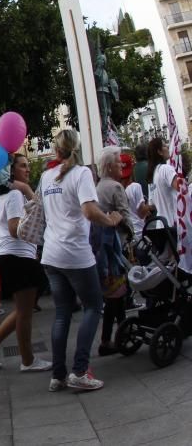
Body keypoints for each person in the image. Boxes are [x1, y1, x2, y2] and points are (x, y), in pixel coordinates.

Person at [41, 130, 122, 392]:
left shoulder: (45, 176)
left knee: (62, 313)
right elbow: (88, 210)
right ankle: (79, 370)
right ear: (77, 147)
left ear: (57, 149)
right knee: (93, 306)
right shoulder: (81, 174)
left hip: (51, 254)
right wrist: (110, 220)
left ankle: (58, 375)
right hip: (75, 253)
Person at [0, 153, 53, 372]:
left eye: (28, 166)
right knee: (25, 312)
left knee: (22, 310)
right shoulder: (14, 194)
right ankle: (28, 360)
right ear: (12, 171)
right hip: (18, 256)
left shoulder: (7, 194)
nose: (28, 170)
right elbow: (14, 228)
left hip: (14, 256)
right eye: (23, 166)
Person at [94, 146, 133, 356]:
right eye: (119, 162)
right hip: (115, 249)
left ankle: (111, 338)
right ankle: (116, 337)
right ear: (109, 166)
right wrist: (134, 236)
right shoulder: (115, 187)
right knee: (116, 296)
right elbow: (126, 218)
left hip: (102, 250)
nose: (122, 165)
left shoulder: (99, 187)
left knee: (114, 297)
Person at [147, 137, 181, 228]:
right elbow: (182, 190)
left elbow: (151, 205)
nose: (167, 147)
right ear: (160, 152)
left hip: (161, 226)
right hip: (175, 224)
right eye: (165, 145)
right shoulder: (166, 169)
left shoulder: (152, 175)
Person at [121, 153, 149, 239]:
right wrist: (150, 206)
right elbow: (141, 213)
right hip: (138, 232)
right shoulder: (135, 187)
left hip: (125, 234)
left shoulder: (115, 188)